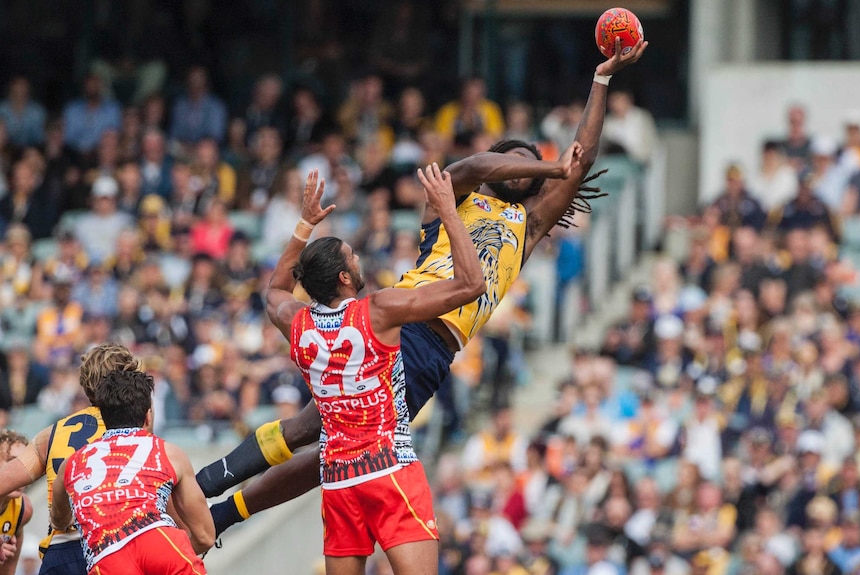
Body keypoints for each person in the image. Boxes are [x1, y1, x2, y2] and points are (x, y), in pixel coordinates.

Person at [197, 38, 648, 534]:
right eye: (515, 160)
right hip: (398, 326)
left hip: (436, 352)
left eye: (531, 162)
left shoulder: (531, 223)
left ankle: (217, 505)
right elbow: (476, 166)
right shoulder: (448, 198)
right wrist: (549, 165)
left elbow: (579, 161)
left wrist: (601, 79)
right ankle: (205, 491)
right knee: (321, 433)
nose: (523, 166)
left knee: (329, 446)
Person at [278, 166, 482, 575]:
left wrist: (304, 226)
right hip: (389, 466)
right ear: (344, 277)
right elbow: (471, 285)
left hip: (337, 479)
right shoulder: (380, 309)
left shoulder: (295, 322)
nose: (358, 258)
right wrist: (447, 209)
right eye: (352, 257)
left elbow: (273, 291)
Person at [50, 370, 214, 574]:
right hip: (159, 540)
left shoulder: (72, 463)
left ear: (103, 417)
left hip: (106, 555)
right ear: (147, 416)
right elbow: (205, 536)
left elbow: (58, 520)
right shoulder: (169, 452)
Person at [0, 343, 139, 575]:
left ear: (85, 385)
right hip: (114, 546)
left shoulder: (52, 433)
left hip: (62, 552)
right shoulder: (136, 425)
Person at [0, 431, 33, 575]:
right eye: (12, 461)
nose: (21, 472)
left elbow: (7, 571)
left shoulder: (23, 510)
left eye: (25, 464)